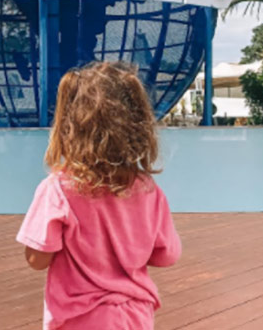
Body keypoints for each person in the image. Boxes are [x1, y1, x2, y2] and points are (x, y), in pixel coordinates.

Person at [16, 62, 182, 330]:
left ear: (69, 127)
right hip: (136, 317)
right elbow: (167, 256)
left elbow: (37, 259)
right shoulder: (148, 189)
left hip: (79, 318)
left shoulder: (58, 188)